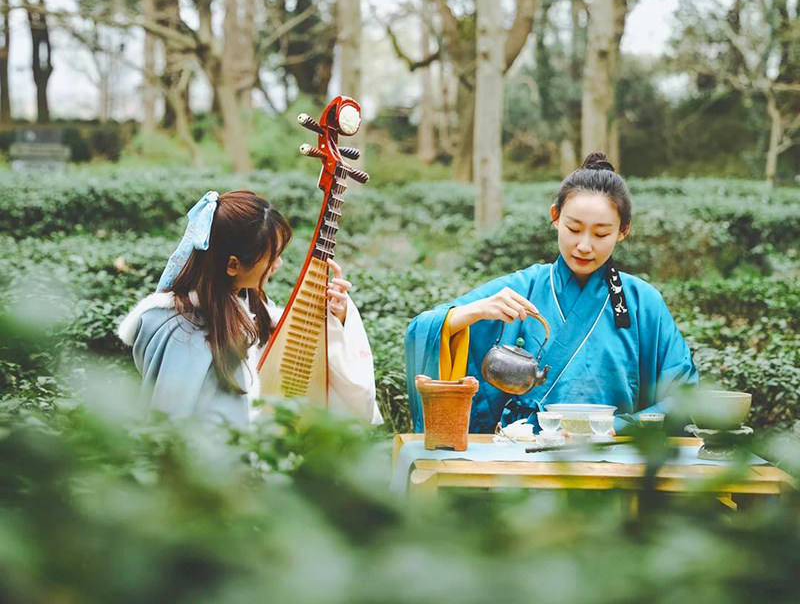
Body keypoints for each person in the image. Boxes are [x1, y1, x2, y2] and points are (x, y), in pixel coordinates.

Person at [405, 153, 698, 434]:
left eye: (600, 234)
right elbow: (422, 329)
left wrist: (620, 427)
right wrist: (477, 311)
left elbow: (683, 396)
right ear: (555, 217)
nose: (584, 245)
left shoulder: (642, 303)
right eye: (573, 228)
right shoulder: (523, 287)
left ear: (623, 230)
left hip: (615, 458)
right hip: (520, 460)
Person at [118, 190, 382, 427]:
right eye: (272, 257)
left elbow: (280, 336)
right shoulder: (181, 330)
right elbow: (175, 422)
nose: (278, 265)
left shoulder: (244, 301)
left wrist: (336, 314)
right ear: (233, 265)